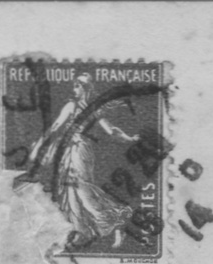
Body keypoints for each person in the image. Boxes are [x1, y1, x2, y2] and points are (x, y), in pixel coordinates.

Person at [15, 73, 138, 249]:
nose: (75, 88)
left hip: (80, 150)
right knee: (68, 190)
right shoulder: (72, 105)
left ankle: (117, 220)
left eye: (78, 85)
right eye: (74, 85)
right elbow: (56, 127)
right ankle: (82, 231)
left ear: (86, 89)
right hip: (67, 150)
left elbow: (111, 130)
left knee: (81, 188)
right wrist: (38, 146)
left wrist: (129, 138)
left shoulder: (92, 108)